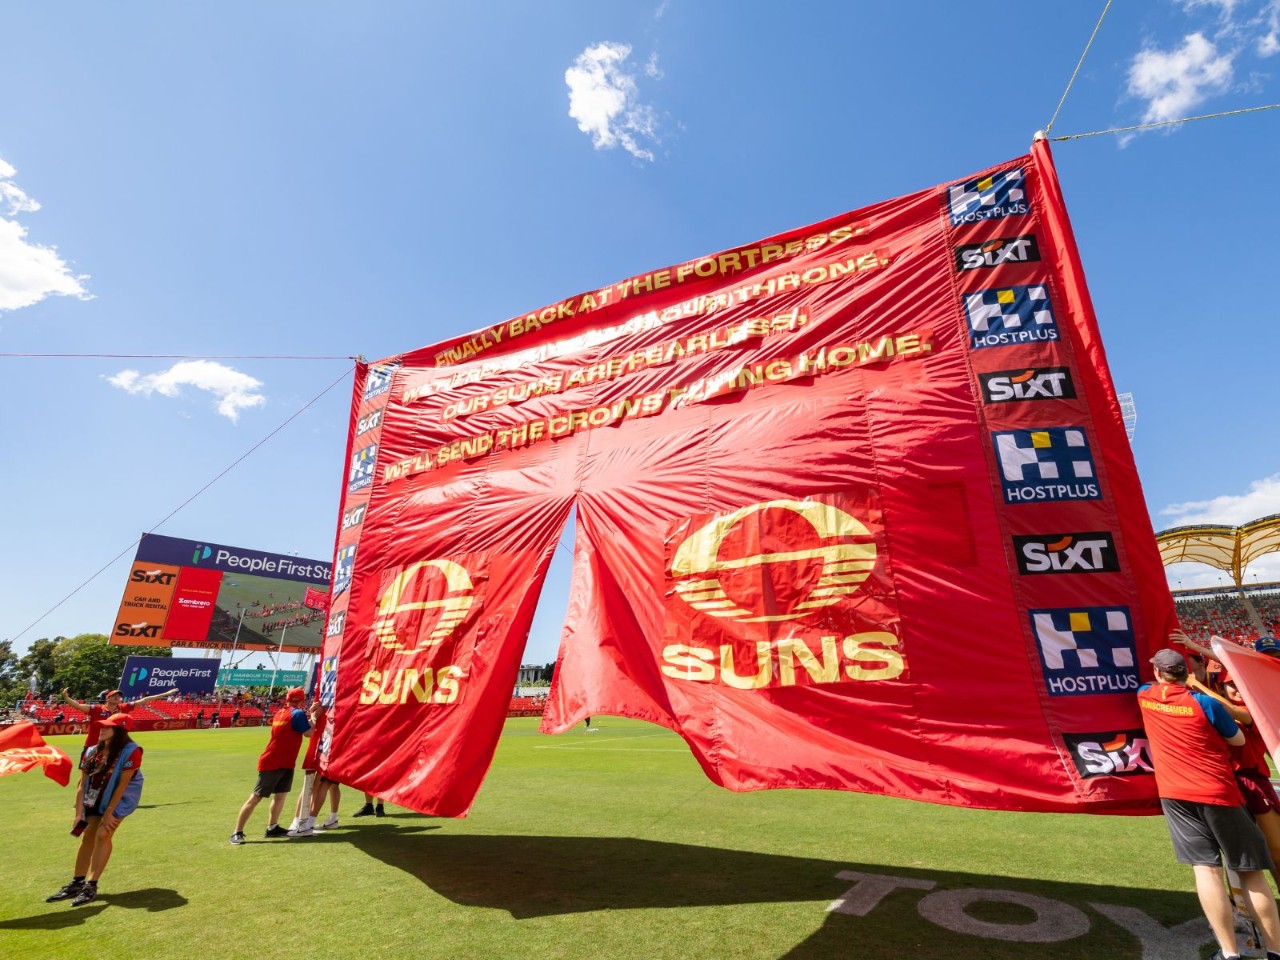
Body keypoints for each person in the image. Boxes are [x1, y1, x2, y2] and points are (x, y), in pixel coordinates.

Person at [1139, 647, 1280, 960]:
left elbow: (1145, 686)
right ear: (1185, 674)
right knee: (1252, 871)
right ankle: (1274, 951)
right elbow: (1239, 741)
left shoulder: (1145, 696)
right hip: (1219, 791)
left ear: (1159, 674)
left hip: (1175, 794)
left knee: (1206, 871)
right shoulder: (1203, 703)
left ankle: (1229, 953)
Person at [1189, 667, 1280, 892]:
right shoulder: (1211, 708)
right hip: (1225, 782)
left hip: (1253, 781)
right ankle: (1241, 911)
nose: (1237, 690)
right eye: (1231, 685)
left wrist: (1195, 684)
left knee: (1276, 848)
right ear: (1221, 687)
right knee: (1238, 855)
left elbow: (1228, 709)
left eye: (1240, 685)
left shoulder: (1250, 709)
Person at [46, 713, 143, 907]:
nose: (102, 729)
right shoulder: (91, 750)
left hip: (120, 798)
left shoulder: (132, 751)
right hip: (95, 795)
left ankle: (91, 885)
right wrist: (78, 813)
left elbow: (122, 785)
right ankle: (77, 882)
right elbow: (82, 784)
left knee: (103, 834)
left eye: (107, 727)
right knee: (88, 834)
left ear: (119, 731)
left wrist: (109, 813)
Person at [229, 688, 319, 844]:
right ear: (300, 701)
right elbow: (309, 733)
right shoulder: (297, 714)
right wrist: (314, 717)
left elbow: (298, 727)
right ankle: (237, 832)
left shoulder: (280, 713)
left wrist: (309, 718)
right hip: (276, 761)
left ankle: (272, 827)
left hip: (280, 760)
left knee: (280, 795)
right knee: (257, 797)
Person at [62, 685, 179, 756]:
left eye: (119, 696)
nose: (117, 697)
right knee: (86, 774)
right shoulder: (96, 709)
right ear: (107, 698)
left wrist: (165, 694)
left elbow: (144, 700)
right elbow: (78, 706)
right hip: (92, 745)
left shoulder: (123, 708)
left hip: (112, 747)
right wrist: (66, 698)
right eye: (114, 696)